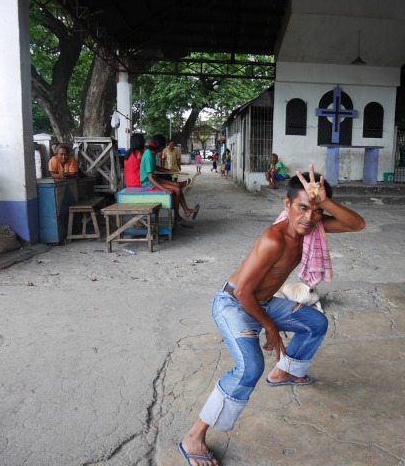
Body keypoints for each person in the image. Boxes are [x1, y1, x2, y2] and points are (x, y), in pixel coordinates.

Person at [178, 165, 365, 466]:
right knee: (249, 369)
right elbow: (242, 294)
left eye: (316, 211)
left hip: (261, 302)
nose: (310, 217)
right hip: (233, 304)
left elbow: (357, 225)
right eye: (303, 208)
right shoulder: (274, 239)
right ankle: (194, 437)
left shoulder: (311, 226)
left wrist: (324, 202)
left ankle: (285, 371)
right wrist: (270, 328)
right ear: (287, 205)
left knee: (315, 322)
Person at [140, 138, 199, 222]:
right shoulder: (149, 156)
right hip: (148, 183)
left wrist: (170, 170)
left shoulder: (151, 153)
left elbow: (156, 168)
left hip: (153, 179)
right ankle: (177, 215)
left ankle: (186, 210)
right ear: (160, 148)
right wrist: (163, 188)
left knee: (177, 186)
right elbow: (150, 177)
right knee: (177, 189)